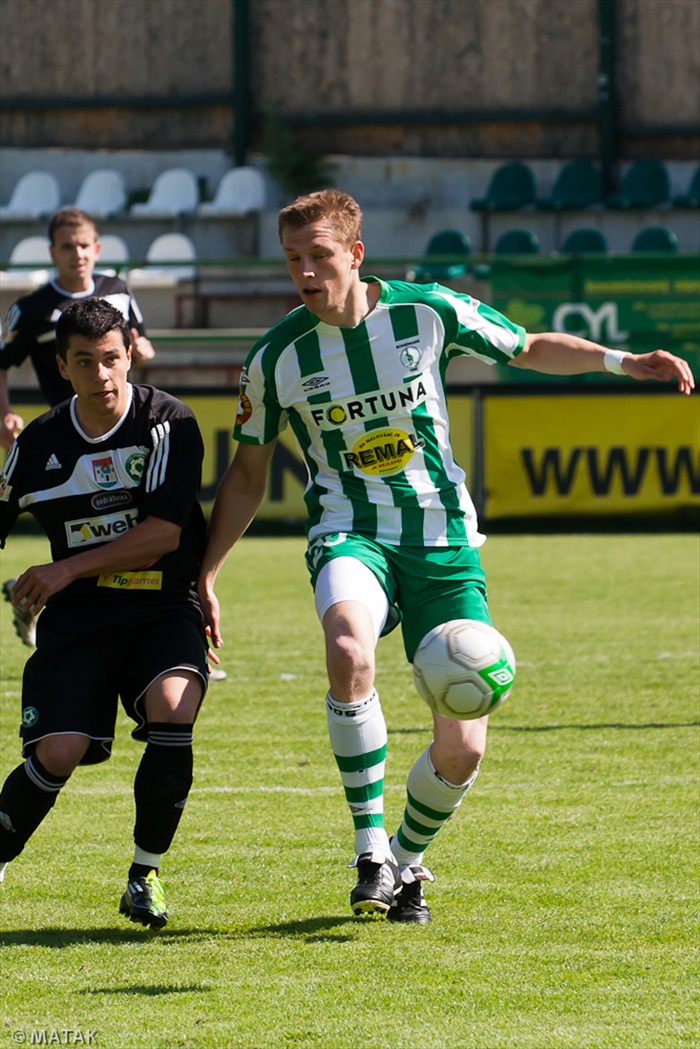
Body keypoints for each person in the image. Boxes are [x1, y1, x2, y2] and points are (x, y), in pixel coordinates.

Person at [197, 189, 694, 924]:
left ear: (356, 254)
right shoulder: (277, 357)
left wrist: (622, 362)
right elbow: (246, 474)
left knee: (463, 745)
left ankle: (406, 861)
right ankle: (369, 847)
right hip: (350, 531)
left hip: (443, 541)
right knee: (346, 647)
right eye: (293, 259)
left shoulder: (426, 312)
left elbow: (524, 346)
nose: (305, 272)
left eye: (320, 256)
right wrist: (207, 573)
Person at [0, 298, 212, 927]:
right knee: (59, 751)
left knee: (175, 712)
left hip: (162, 606)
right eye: (85, 363)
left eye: (112, 359)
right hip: (81, 617)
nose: (102, 375)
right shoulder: (39, 442)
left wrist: (60, 568)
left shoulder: (167, 422)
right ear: (62, 367)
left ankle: (144, 875)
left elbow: (164, 534)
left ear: (130, 355)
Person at [0, 207, 157, 649]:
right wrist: (4, 416)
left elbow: (139, 347)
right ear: (52, 252)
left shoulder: (119, 293)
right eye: (67, 246)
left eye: (84, 245)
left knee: (140, 530)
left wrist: (142, 348)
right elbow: (1, 364)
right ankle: (37, 593)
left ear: (98, 248)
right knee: (93, 534)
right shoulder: (31, 309)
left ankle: (175, 635)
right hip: (67, 442)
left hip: (128, 429)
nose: (77, 254)